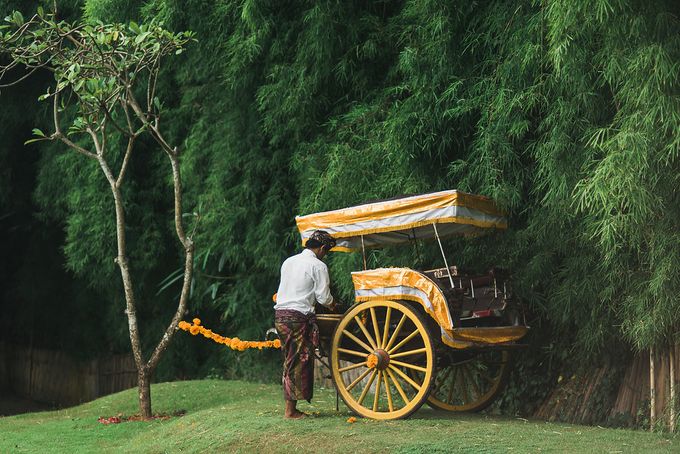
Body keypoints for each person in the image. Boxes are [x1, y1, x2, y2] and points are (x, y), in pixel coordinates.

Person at [274, 230, 337, 419]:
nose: (325, 255)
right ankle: (290, 411)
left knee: (290, 360)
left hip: (280, 317)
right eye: (326, 251)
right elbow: (324, 297)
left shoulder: (289, 261)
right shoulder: (318, 265)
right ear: (323, 248)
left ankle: (291, 408)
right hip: (297, 318)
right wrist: (334, 305)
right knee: (296, 362)